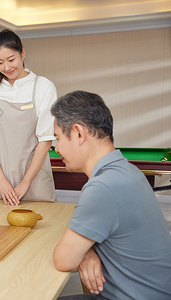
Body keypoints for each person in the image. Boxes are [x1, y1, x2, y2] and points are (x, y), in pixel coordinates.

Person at [51, 91, 171, 299]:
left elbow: (64, 260)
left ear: (78, 133)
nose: (56, 148)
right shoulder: (128, 171)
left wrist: (82, 253)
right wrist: (88, 252)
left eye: (58, 138)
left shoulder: (103, 187)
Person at [0, 29, 57, 205]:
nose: (7, 67)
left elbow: (46, 139)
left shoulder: (44, 86)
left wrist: (26, 182)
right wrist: (2, 181)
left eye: (11, 60)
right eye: (0, 62)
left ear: (22, 54)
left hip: (35, 180)